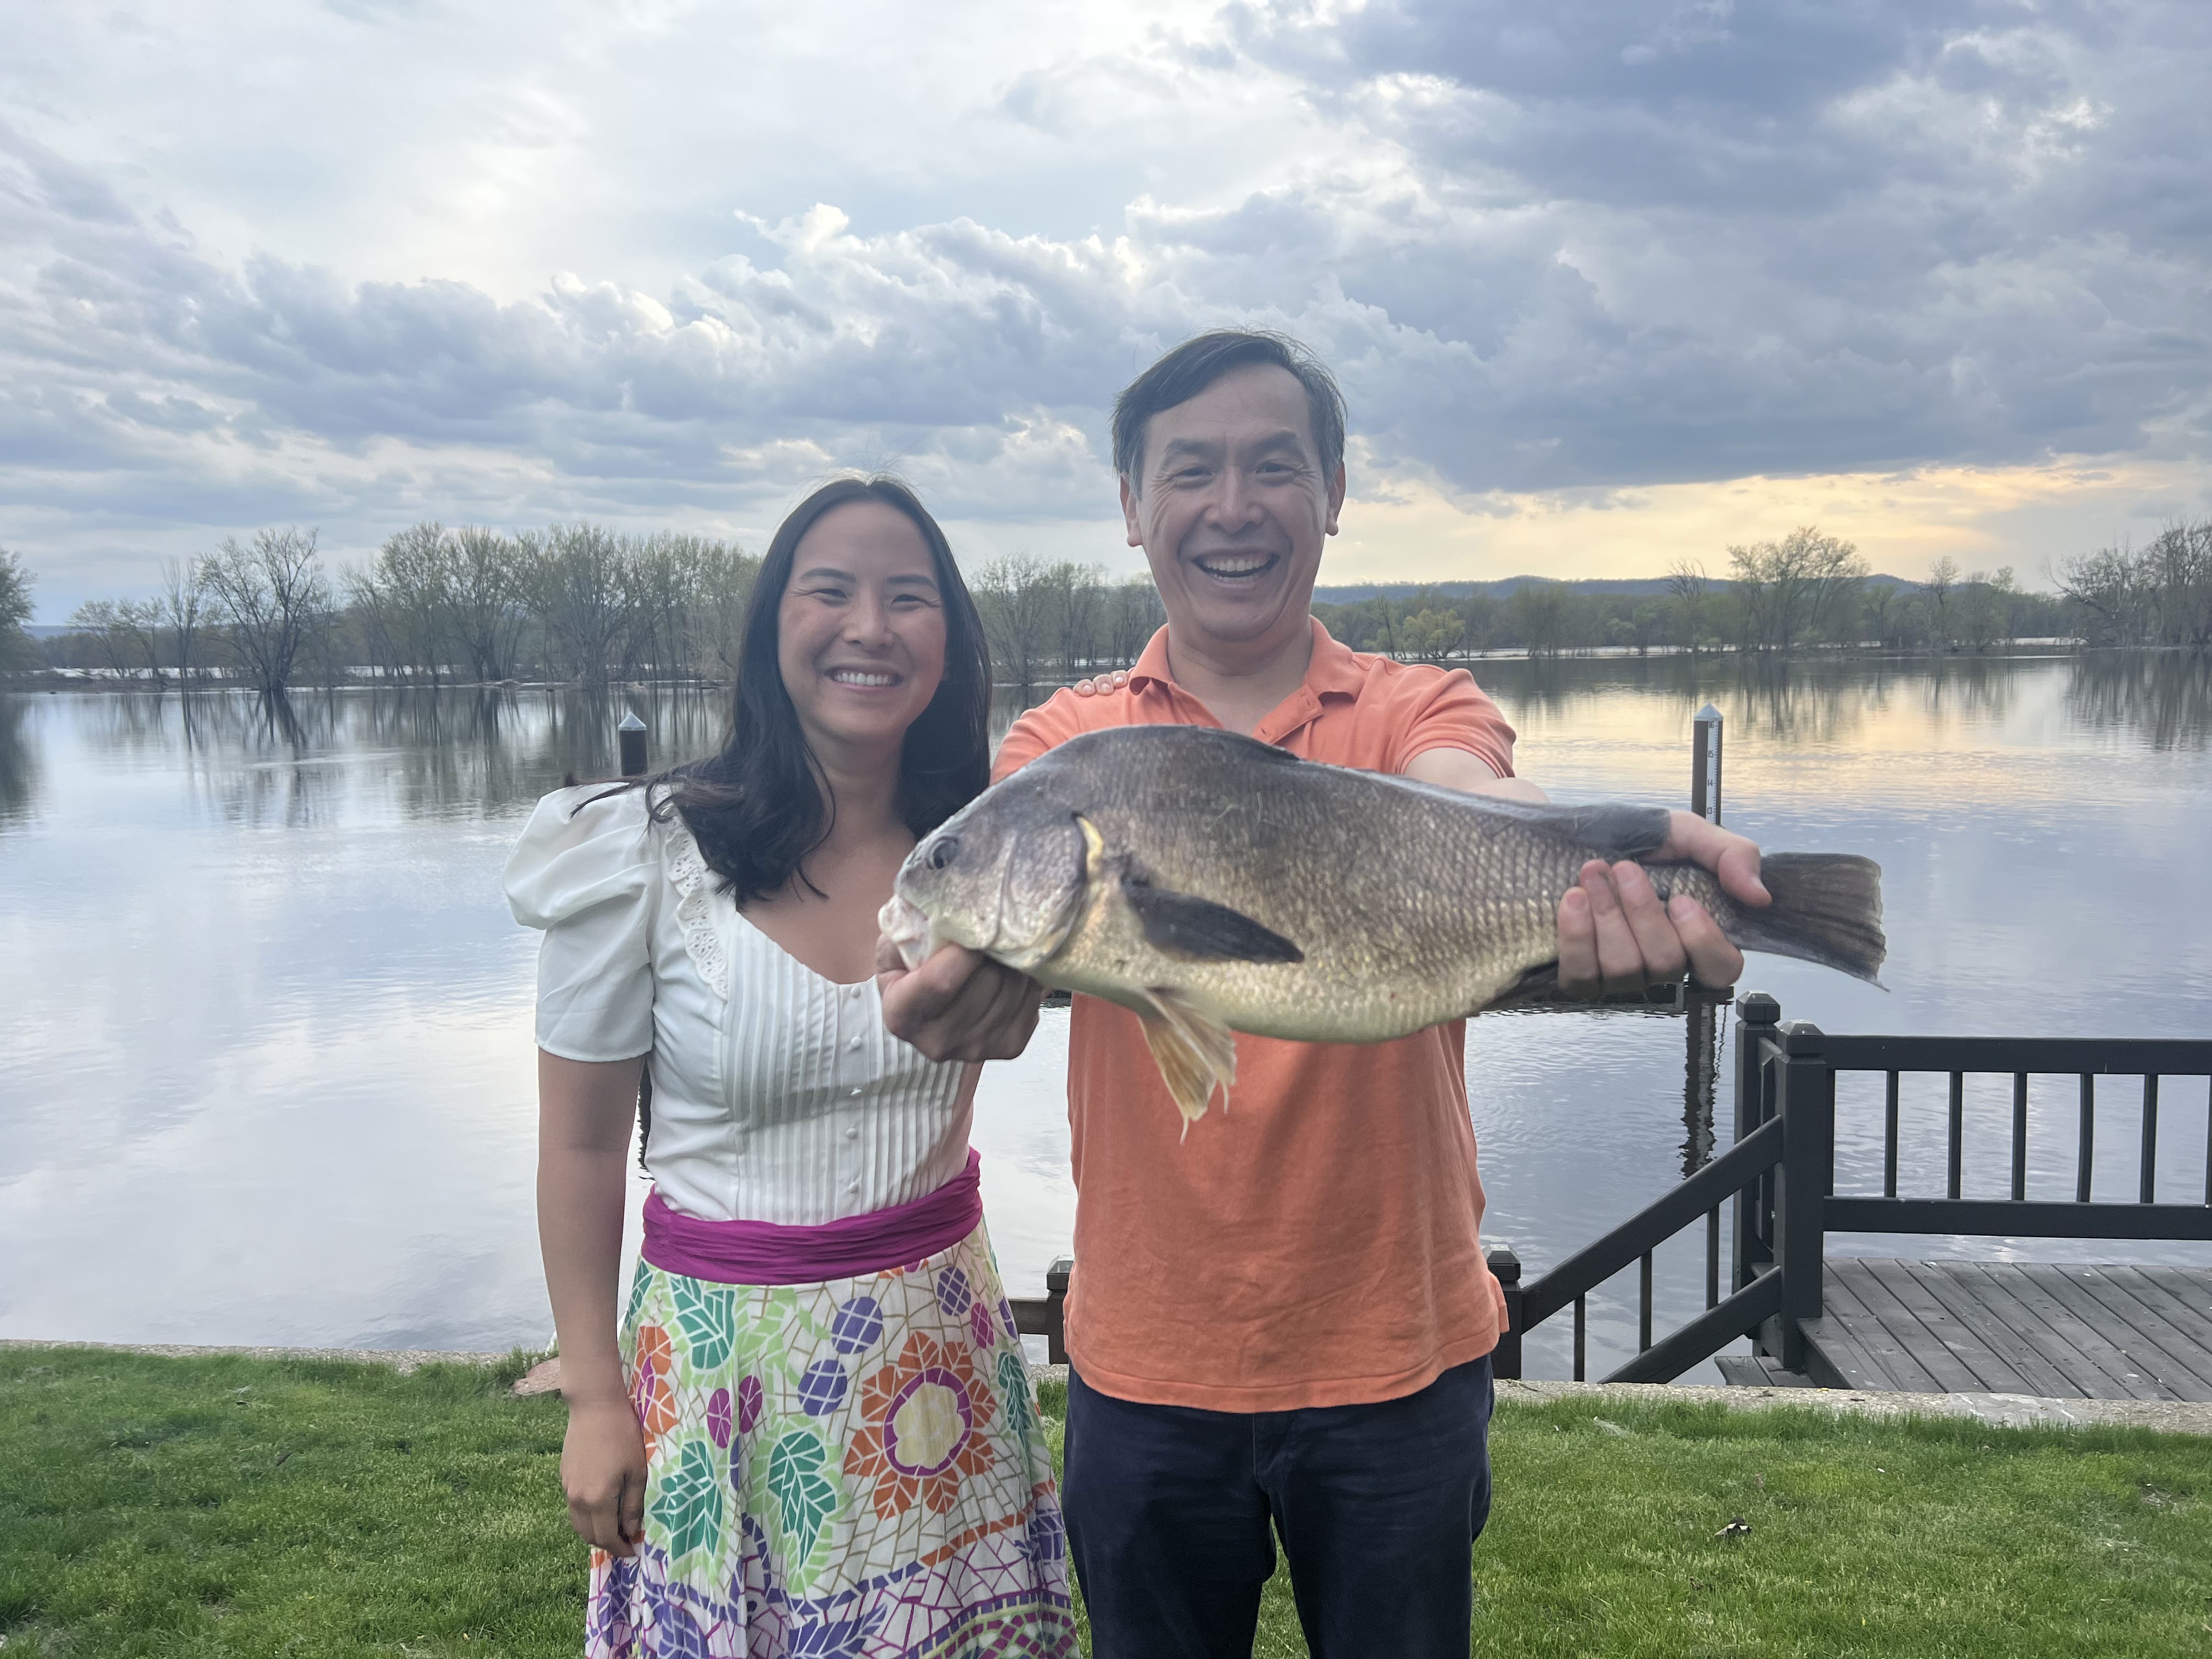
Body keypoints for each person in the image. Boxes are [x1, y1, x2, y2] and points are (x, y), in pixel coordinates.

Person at [879, 333, 1767, 1658]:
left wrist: (1612, 853)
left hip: (1398, 1361)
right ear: (1133, 507)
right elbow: (975, 944)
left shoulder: (1421, 705)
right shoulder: (1070, 750)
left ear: (1336, 490)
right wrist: (947, 973)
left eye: (1273, 466)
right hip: (1145, 1367)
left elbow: (1469, 799)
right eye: (1191, 471)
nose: (1232, 506)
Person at [506, 476, 1074, 1658]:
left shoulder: (987, 854)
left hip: (939, 1369)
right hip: (722, 1394)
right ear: (773, 631)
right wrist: (596, 1397)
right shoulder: (642, 856)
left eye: (908, 598)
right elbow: (580, 1145)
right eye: (832, 591)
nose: (870, 626)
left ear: (949, 644)